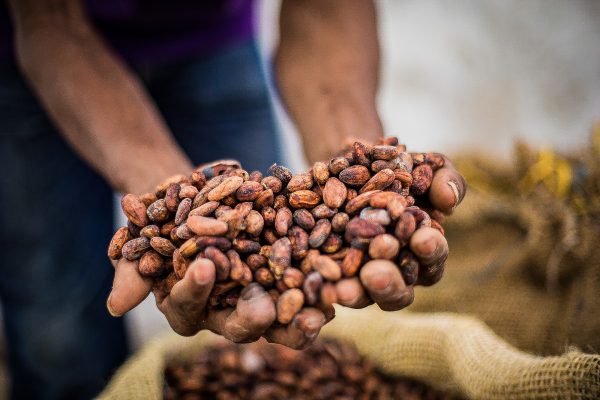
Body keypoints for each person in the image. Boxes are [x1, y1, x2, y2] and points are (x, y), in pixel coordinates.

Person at [0, 0, 465, 398]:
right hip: (45, 49)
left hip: (211, 39)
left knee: (267, 327)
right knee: (59, 332)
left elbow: (325, 10)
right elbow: (49, 22)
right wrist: (161, 186)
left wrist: (356, 156)